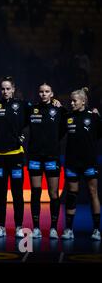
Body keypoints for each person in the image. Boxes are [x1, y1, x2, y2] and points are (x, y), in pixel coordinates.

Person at [0, 76, 29, 238]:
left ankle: (19, 226)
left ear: (13, 89)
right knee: (0, 193)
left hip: (16, 156)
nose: (5, 91)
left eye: (8, 88)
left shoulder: (22, 105)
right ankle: (1, 226)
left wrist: (20, 135)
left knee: (18, 193)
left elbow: (30, 120)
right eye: (3, 89)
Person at [26, 83, 66, 239]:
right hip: (35, 157)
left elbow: (63, 130)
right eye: (41, 91)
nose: (43, 94)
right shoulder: (32, 110)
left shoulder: (59, 110)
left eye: (47, 91)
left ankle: (53, 228)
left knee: (53, 193)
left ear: (52, 93)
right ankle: (36, 227)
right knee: (35, 193)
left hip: (52, 157)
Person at [62, 87, 101, 241]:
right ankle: (69, 229)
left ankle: (97, 229)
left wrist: (98, 116)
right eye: (70, 100)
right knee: (72, 195)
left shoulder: (93, 117)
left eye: (74, 101)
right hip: (72, 163)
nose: (71, 103)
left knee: (93, 194)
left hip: (89, 162)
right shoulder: (68, 117)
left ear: (83, 101)